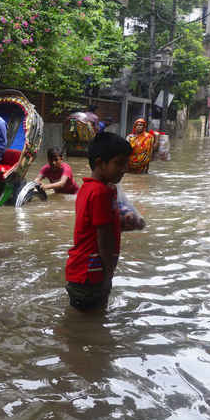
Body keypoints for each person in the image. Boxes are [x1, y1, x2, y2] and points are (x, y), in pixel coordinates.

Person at [65, 132, 132, 311]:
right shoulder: (100, 193)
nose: (125, 169)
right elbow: (103, 238)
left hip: (80, 272)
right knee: (92, 324)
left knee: (82, 322)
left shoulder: (88, 188)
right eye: (119, 163)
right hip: (91, 275)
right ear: (100, 163)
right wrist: (109, 273)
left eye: (126, 163)